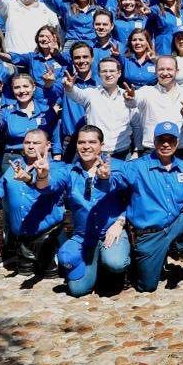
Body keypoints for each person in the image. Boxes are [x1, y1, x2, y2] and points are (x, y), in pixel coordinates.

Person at [108, 121, 183, 293]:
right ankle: (147, 261)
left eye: (171, 140)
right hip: (151, 233)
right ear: (154, 142)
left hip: (177, 222)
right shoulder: (137, 167)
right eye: (162, 140)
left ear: (177, 143)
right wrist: (104, 177)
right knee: (147, 287)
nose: (166, 144)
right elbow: (113, 181)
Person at [56, 126, 131, 296]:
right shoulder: (70, 171)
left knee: (115, 263)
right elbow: (49, 187)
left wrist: (120, 222)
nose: (86, 146)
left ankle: (116, 266)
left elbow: (135, 198)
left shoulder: (119, 166)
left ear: (101, 145)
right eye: (81, 142)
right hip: (84, 236)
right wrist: (38, 177)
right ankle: (95, 263)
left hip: (111, 231)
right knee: (77, 290)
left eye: (92, 142)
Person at [0, 129, 68, 277]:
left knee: (51, 277)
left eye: (36, 143)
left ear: (48, 145)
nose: (31, 146)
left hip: (48, 239)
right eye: (27, 142)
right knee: (23, 275)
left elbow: (50, 185)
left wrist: (33, 178)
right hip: (21, 240)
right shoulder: (15, 165)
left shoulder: (59, 167)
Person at [63, 58, 137, 156]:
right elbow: (75, 94)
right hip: (96, 154)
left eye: (112, 71)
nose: (108, 74)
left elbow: (136, 125)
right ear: (98, 74)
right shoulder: (90, 94)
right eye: (104, 71)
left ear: (119, 73)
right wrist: (69, 88)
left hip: (123, 153)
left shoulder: (128, 96)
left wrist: (136, 151)